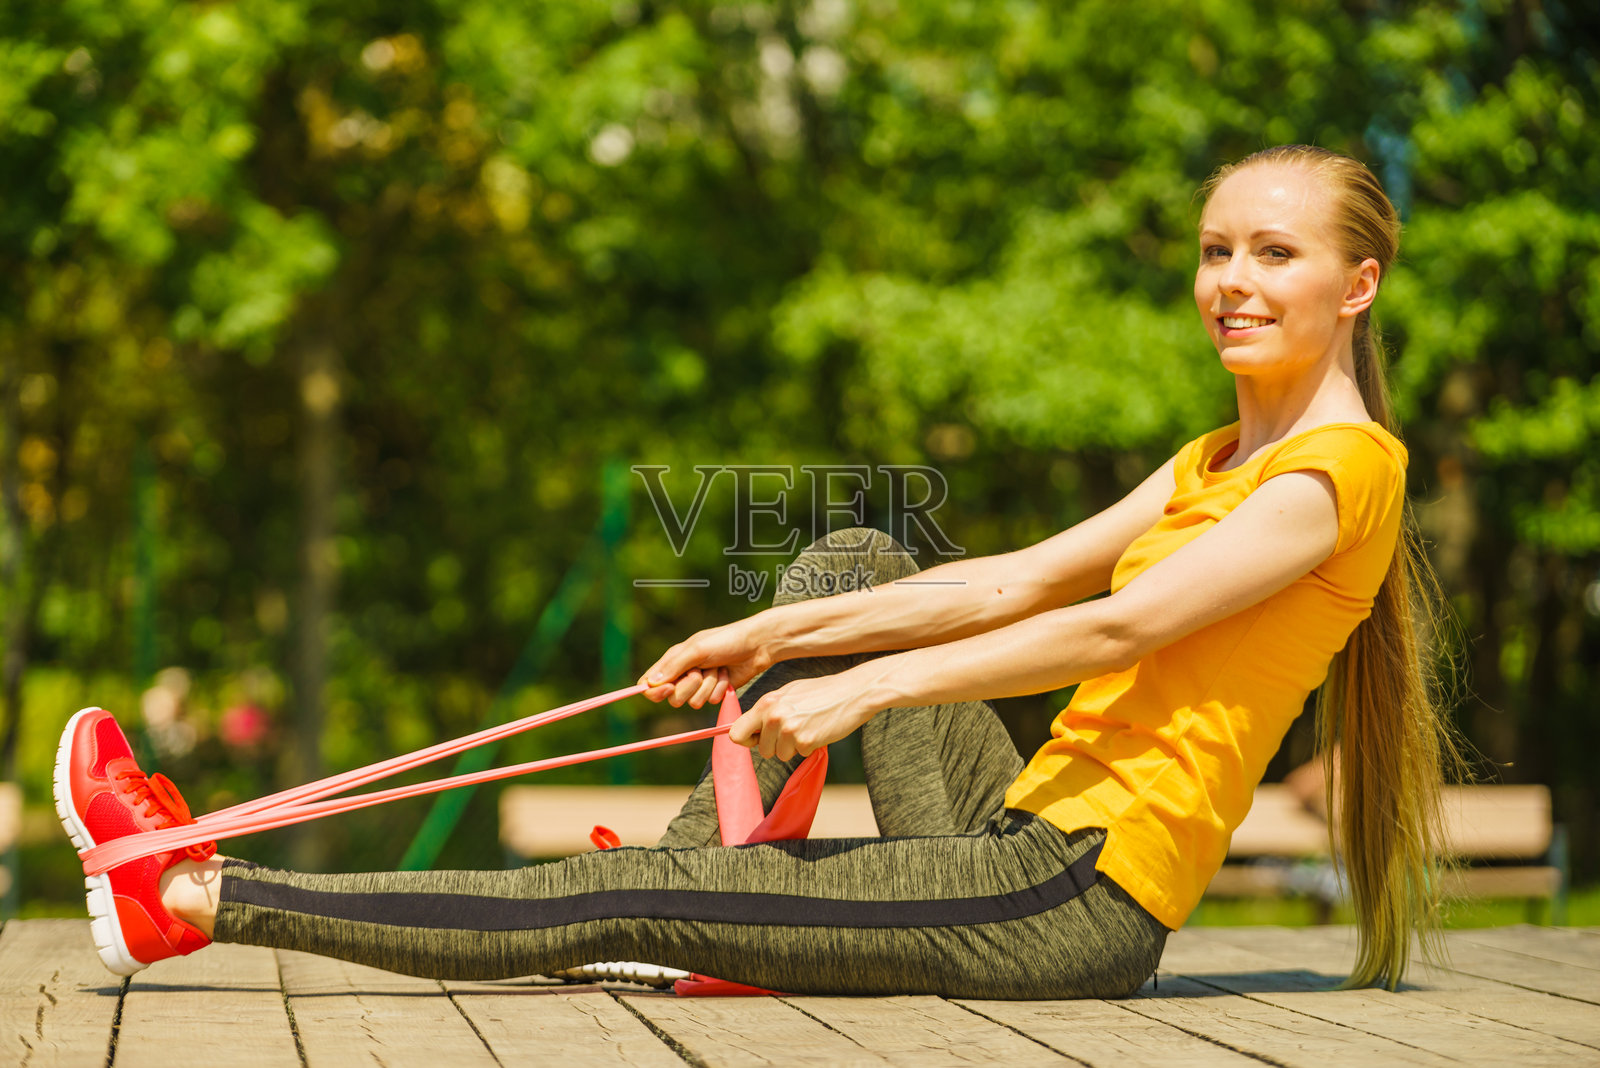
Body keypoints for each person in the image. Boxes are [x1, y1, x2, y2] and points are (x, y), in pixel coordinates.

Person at [56, 145, 1458, 997]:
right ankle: (685, 891)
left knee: (606, 905)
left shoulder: (1345, 474)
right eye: (1218, 250)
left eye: (1275, 252)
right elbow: (1012, 582)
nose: (1232, 279)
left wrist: (865, 693)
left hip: (1071, 905)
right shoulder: (1216, 454)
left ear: (1358, 283)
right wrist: (778, 639)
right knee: (848, 556)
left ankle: (186, 898)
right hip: (1017, 825)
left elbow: (1120, 625)